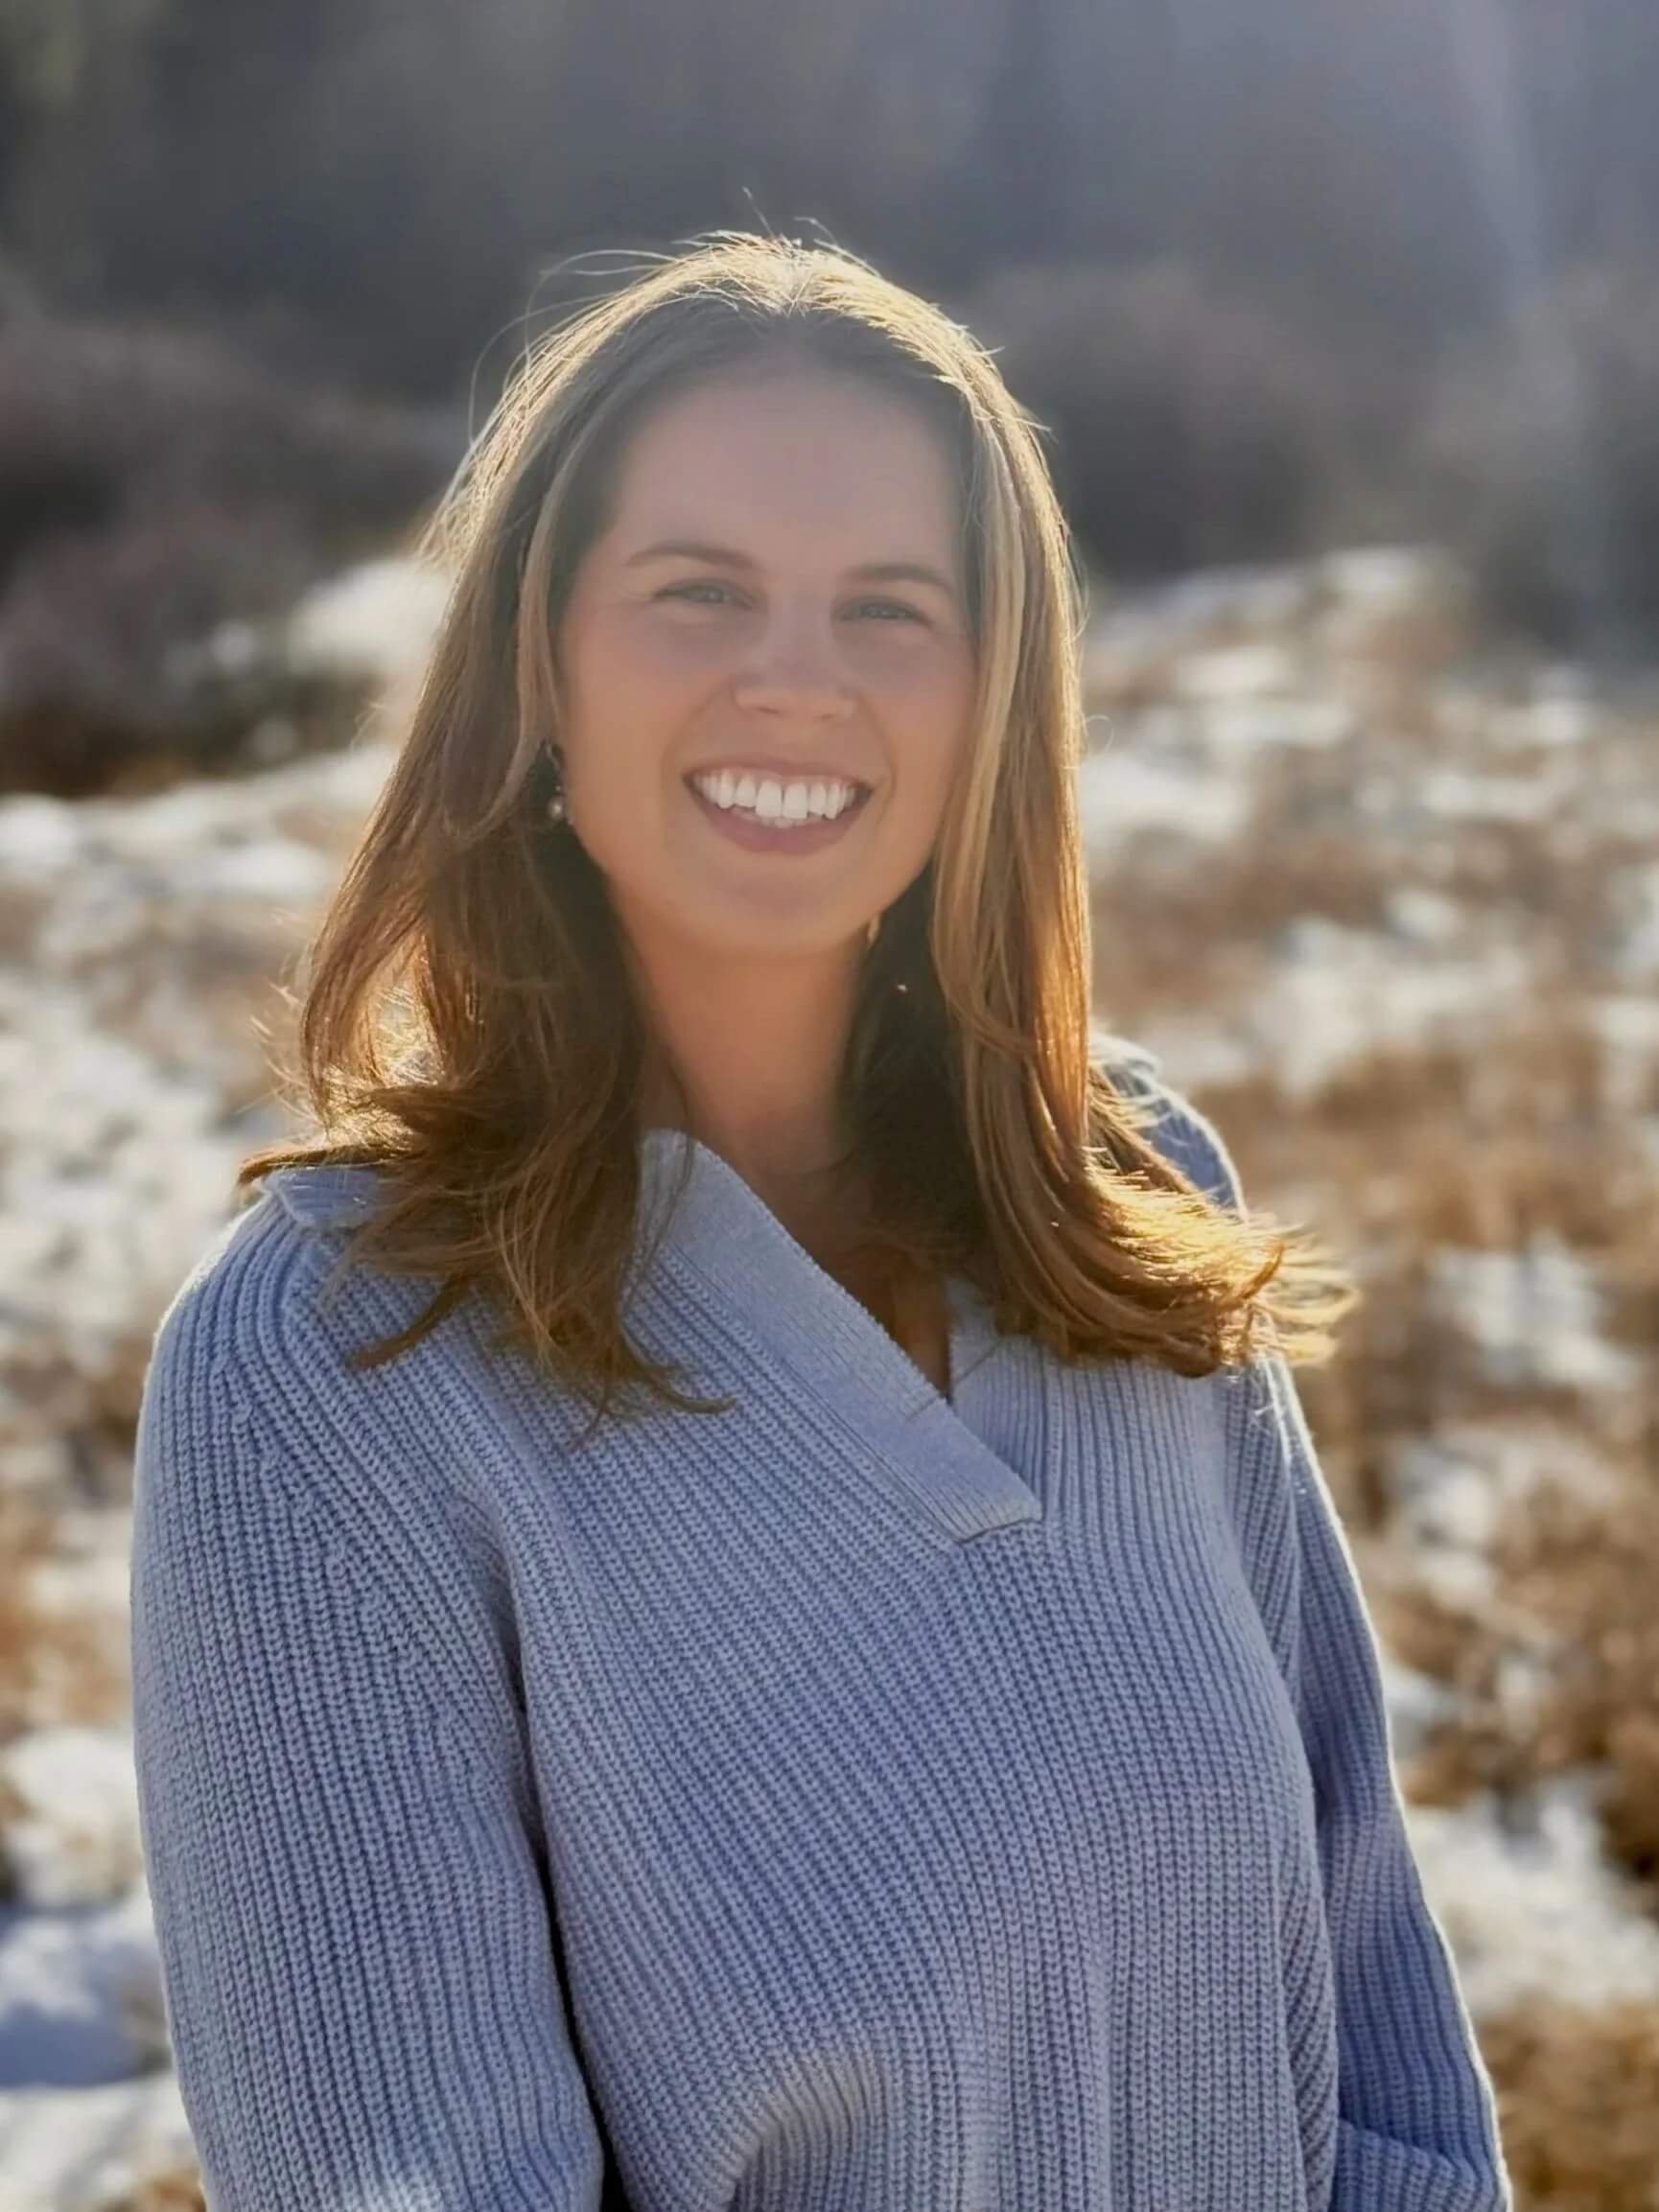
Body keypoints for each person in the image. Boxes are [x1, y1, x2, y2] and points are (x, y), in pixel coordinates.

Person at [129, 231, 1513, 2211]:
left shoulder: (1128, 1193)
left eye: (891, 608)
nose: (798, 678)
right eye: (698, 591)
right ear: (540, 662)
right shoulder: (338, 1365)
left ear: (986, 697)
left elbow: (1374, 2021)